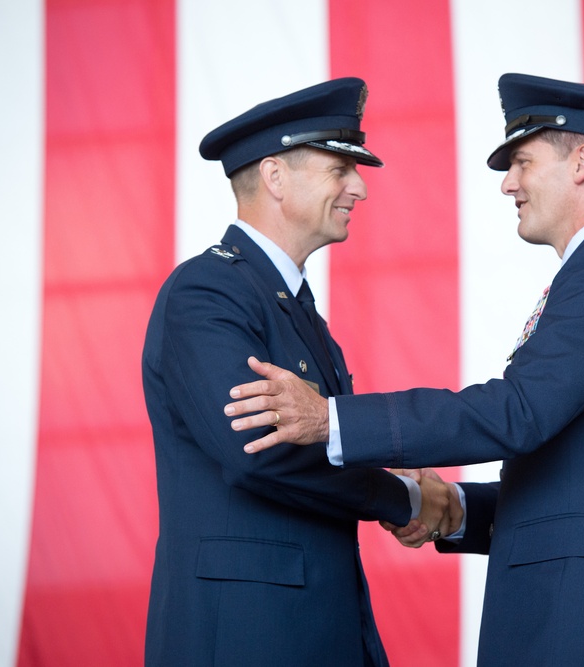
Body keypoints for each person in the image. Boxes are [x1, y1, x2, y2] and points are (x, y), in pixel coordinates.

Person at [223, 73, 584, 665]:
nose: (509, 183)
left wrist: (330, 419)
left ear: (583, 161)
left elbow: (518, 413)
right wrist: (457, 510)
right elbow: (574, 476)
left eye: (524, 162)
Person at [141, 77, 456, 666]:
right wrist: (401, 498)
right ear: (275, 177)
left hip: (310, 625)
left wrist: (376, 461)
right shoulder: (208, 291)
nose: (359, 187)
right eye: (340, 169)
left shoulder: (287, 302)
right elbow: (259, 450)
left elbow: (320, 440)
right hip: (245, 635)